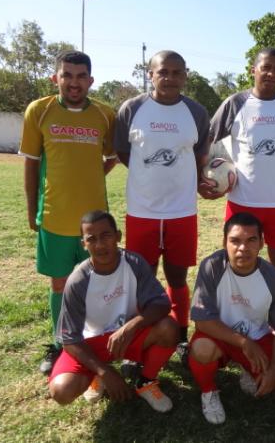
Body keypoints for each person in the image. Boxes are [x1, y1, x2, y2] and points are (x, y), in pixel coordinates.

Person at [19, 50, 117, 375]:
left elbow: (112, 155)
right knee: (60, 284)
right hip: (55, 217)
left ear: (91, 80)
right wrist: (33, 209)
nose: (74, 83)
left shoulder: (105, 115)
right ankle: (60, 343)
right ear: (55, 78)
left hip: (95, 223)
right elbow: (31, 164)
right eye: (67, 75)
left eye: (80, 76)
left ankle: (92, 338)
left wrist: (90, 175)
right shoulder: (40, 110)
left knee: (94, 282)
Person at [113, 50, 214, 350]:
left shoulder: (196, 112)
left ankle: (181, 335)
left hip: (182, 211)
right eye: (163, 72)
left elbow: (199, 157)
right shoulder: (132, 109)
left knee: (177, 277)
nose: (169, 78)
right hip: (141, 210)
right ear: (150, 74)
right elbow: (123, 152)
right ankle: (138, 337)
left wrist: (195, 182)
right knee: (140, 279)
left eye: (177, 72)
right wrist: (148, 175)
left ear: (185, 75)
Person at [48, 210, 179, 412]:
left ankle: (145, 382)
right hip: (92, 344)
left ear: (118, 236)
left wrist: (132, 326)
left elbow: (161, 303)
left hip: (128, 336)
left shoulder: (134, 263)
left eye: (106, 235)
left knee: (169, 327)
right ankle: (96, 377)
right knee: (61, 391)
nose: (100, 245)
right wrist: (105, 372)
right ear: (84, 244)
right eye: (92, 239)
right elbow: (69, 340)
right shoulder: (78, 281)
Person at [209, 47, 275, 283]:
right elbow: (206, 139)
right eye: (266, 67)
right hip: (241, 201)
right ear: (253, 70)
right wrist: (205, 178)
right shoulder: (236, 103)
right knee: (236, 260)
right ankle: (236, 312)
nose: (271, 74)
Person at [189, 212, 275, 424]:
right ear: (224, 242)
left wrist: (274, 368)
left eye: (251, 240)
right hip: (221, 335)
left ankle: (248, 369)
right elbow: (202, 320)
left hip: (257, 337)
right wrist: (244, 342)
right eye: (235, 241)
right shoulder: (211, 267)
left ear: (262, 243)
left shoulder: (273, 278)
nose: (243, 248)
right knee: (201, 349)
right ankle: (209, 392)